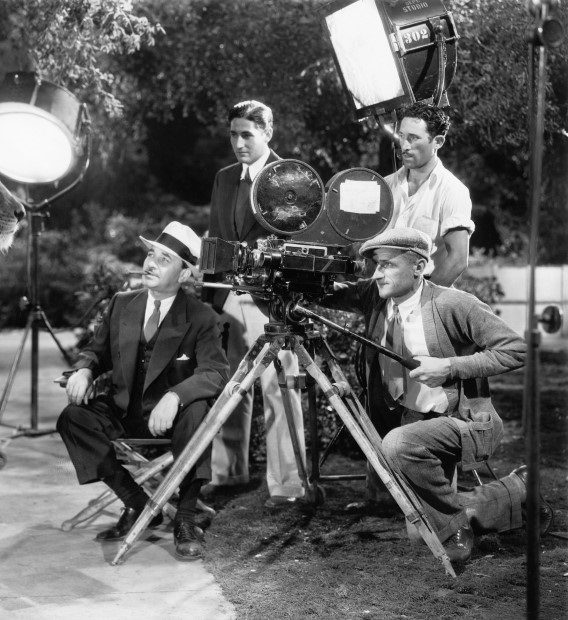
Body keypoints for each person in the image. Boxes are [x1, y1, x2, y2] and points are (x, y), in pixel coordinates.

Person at [320, 227, 535, 562]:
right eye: (376, 264)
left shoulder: (452, 304)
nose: (377, 273)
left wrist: (449, 366)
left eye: (388, 265)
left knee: (399, 448)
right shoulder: (376, 297)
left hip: (459, 422)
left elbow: (517, 350)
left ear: (418, 267)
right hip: (412, 421)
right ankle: (514, 488)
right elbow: (325, 293)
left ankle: (455, 526)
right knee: (415, 526)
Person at [57, 221, 229, 560]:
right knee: (73, 418)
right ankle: (137, 503)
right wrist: (84, 369)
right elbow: (97, 350)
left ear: (183, 275)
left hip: (173, 419)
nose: (150, 263)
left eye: (164, 259)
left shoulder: (202, 317)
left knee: (197, 412)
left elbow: (216, 372)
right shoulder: (123, 304)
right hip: (124, 410)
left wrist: (175, 395)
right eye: (151, 253)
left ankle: (185, 517)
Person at [205, 99, 309, 507]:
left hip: (275, 304)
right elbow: (215, 238)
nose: (239, 142)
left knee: (280, 389)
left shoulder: (292, 180)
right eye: (233, 134)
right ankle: (229, 474)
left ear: (268, 133)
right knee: (230, 388)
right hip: (230, 298)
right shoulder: (224, 178)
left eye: (247, 134)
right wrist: (210, 302)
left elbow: (298, 245)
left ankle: (287, 485)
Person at [385, 102, 474, 287]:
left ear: (438, 142)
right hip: (379, 294)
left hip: (423, 294)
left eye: (414, 138)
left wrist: (422, 303)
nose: (405, 146)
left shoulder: (453, 191)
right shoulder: (385, 185)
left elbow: (457, 260)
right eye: (401, 136)